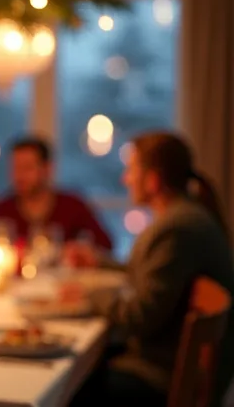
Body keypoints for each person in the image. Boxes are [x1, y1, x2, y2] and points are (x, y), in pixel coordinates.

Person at [64, 132, 234, 407]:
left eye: (131, 170)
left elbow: (139, 316)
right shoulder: (183, 216)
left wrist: (88, 296)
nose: (125, 179)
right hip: (174, 362)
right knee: (80, 361)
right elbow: (148, 273)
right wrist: (100, 261)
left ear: (153, 180)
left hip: (166, 377)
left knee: (70, 382)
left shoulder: (177, 229)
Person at [0, 136, 113, 250]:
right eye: (15, 168)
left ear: (47, 169)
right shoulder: (0, 210)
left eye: (27, 168)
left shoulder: (73, 207)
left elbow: (106, 246)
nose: (19, 175)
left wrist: (83, 251)